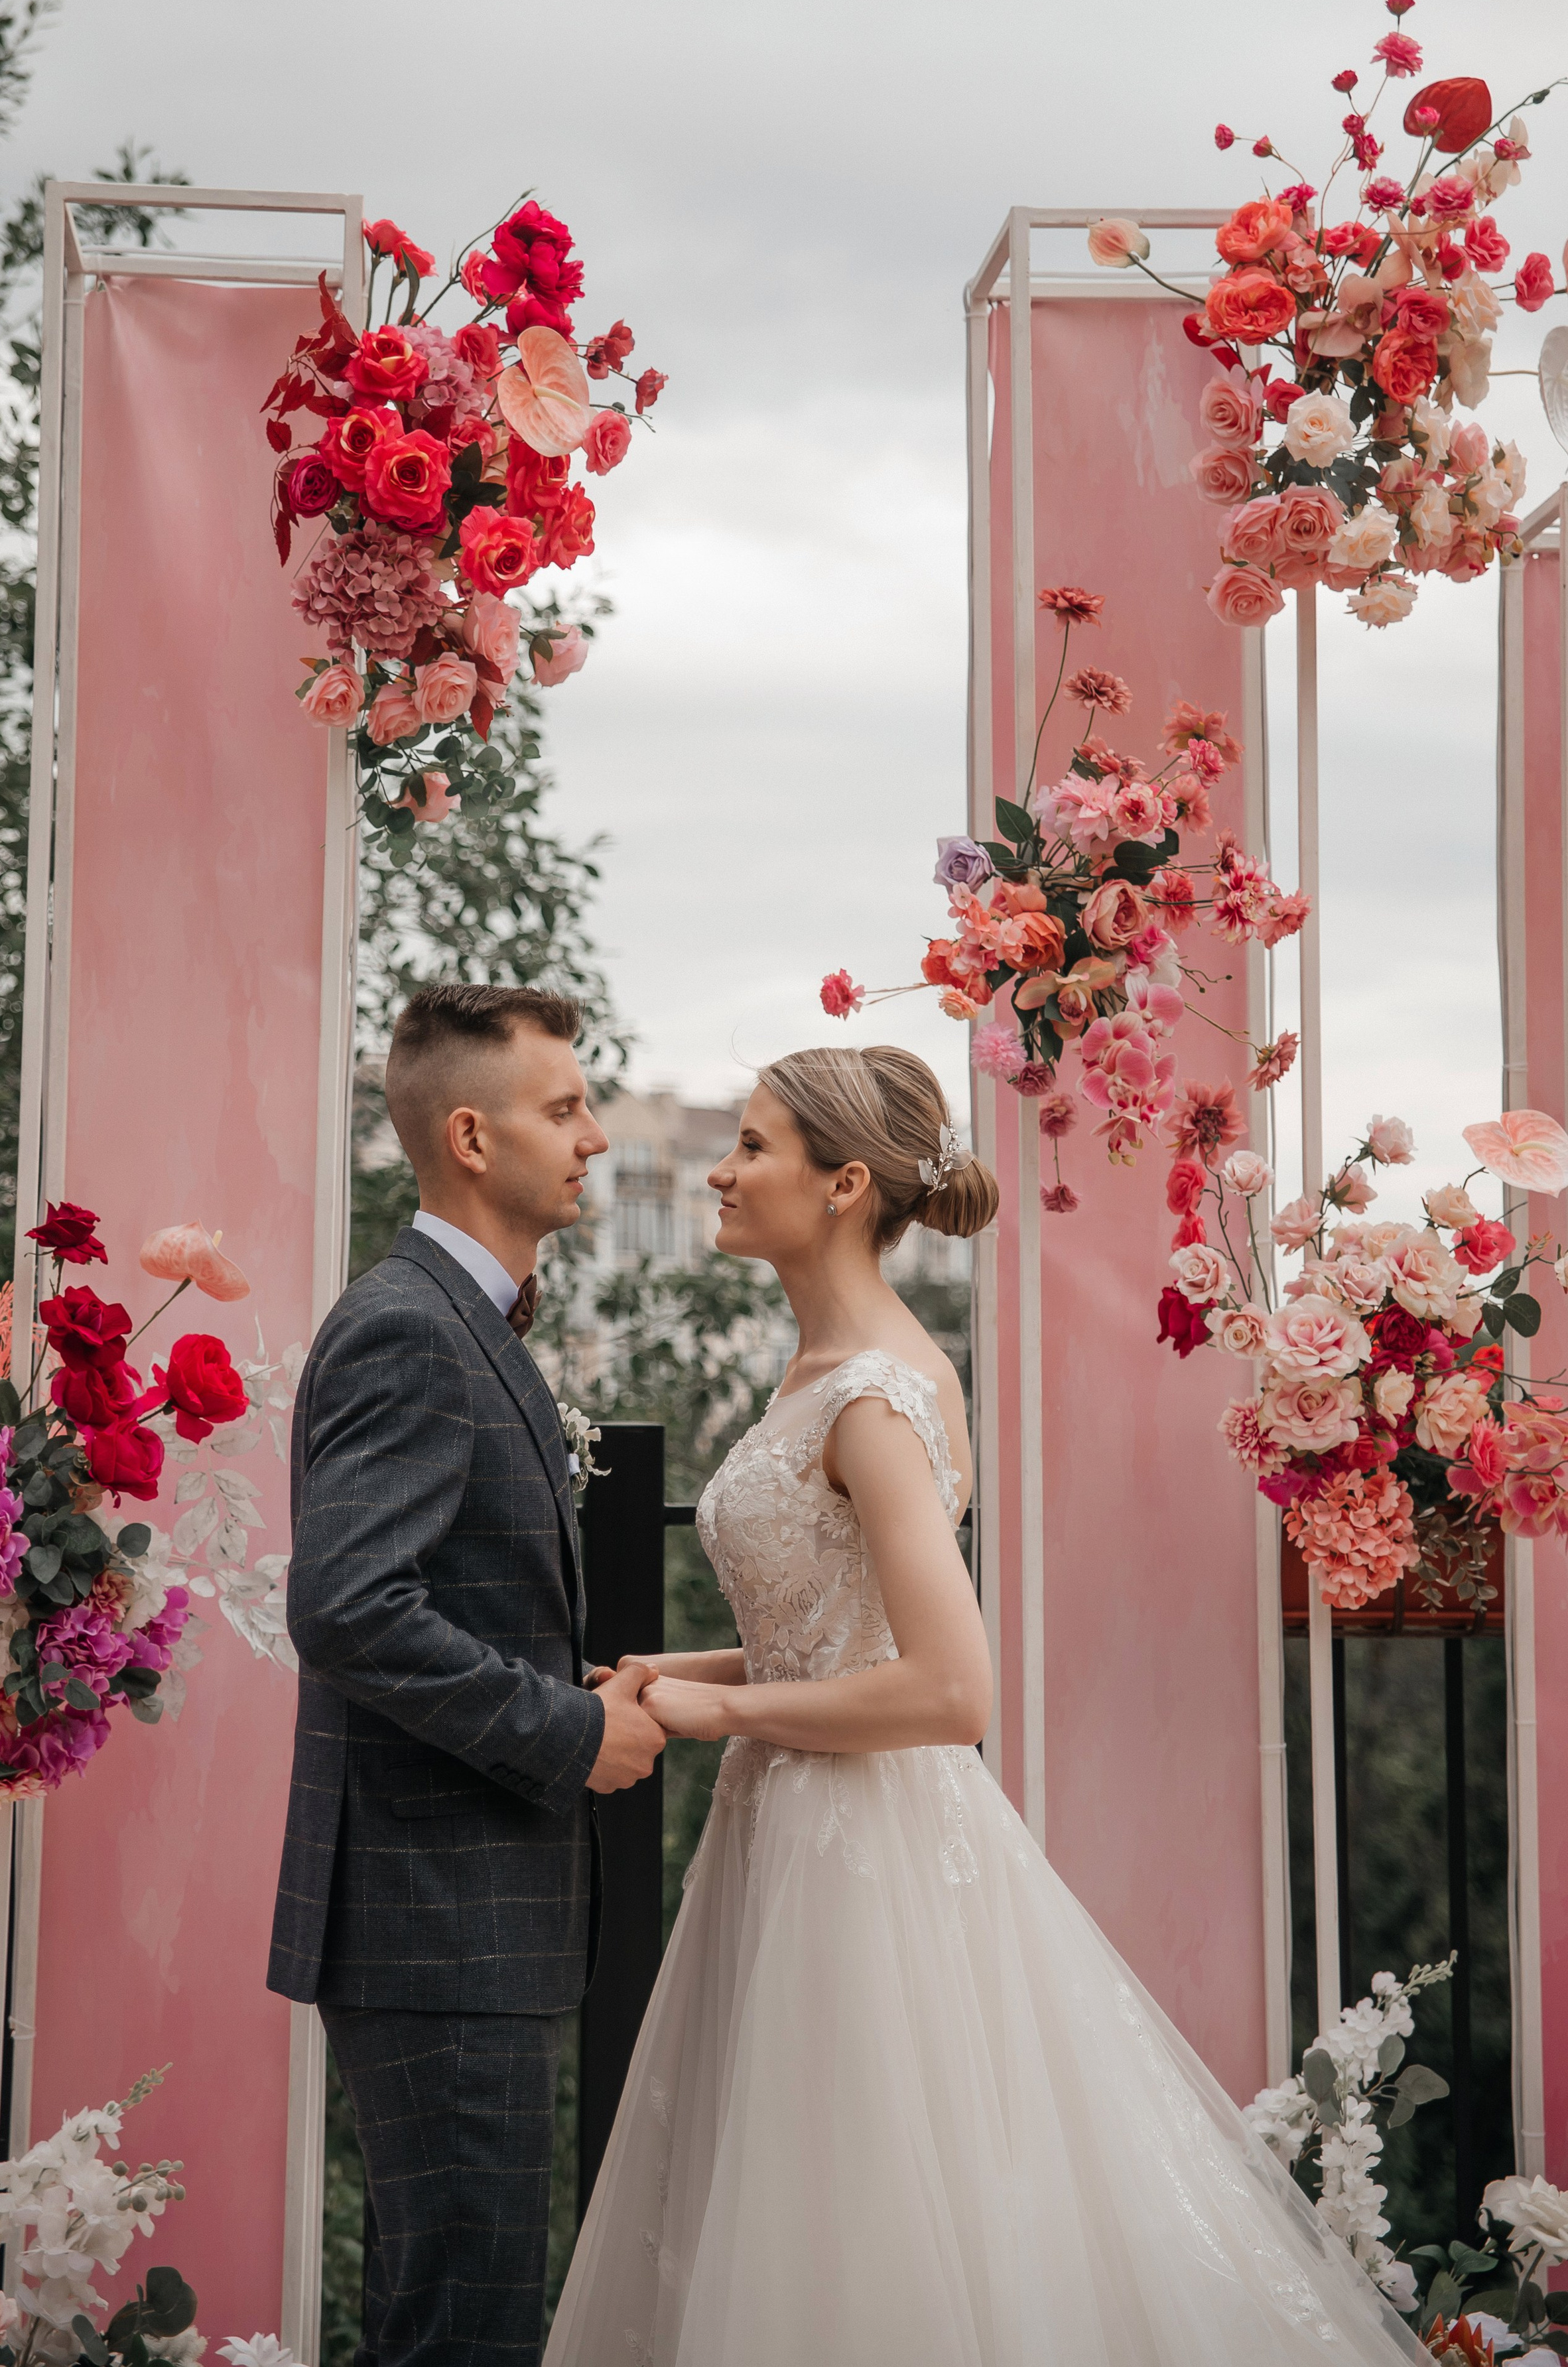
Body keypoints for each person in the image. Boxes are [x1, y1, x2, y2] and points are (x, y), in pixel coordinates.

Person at [545, 1044, 1421, 2366]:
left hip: (862, 1857)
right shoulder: (815, 1370)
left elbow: (951, 1690)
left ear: (843, 1184)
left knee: (862, 2224)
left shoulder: (874, 1396)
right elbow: (824, 1642)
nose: (720, 1171)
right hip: (784, 1827)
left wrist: (715, 1718)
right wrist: (672, 1677)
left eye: (750, 1145)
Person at [267, 982, 665, 2367]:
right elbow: (348, 1605)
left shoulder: (457, 1316)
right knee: (464, 2332)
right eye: (562, 1108)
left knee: (444, 2318)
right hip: (438, 1925)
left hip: (450, 1921)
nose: (596, 1137)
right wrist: (567, 1732)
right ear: (471, 1139)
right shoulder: (412, 1326)